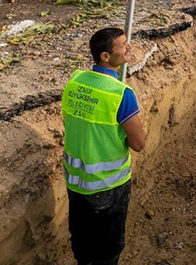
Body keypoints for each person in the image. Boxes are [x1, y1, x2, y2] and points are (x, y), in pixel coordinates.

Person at [61, 27, 146, 265]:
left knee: (83, 248)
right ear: (105, 57)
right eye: (122, 45)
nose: (128, 47)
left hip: (76, 185)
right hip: (109, 187)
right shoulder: (121, 94)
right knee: (107, 252)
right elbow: (139, 143)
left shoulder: (76, 81)